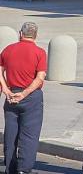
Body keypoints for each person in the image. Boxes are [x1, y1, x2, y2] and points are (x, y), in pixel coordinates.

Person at [0, 22, 47, 174]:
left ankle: (10, 168)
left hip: (11, 96)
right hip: (31, 97)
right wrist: (24, 94)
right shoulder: (39, 53)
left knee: (10, 133)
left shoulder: (8, 50)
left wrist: (6, 90)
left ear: (20, 34)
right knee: (29, 135)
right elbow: (40, 78)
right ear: (35, 35)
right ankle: (23, 169)